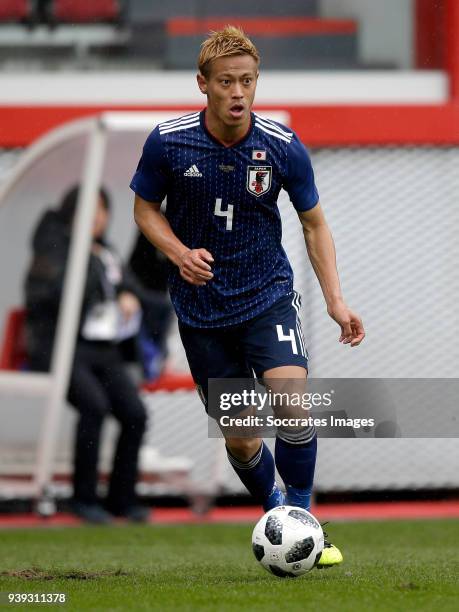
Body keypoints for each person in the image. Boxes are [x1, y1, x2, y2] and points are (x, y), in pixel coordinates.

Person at [131, 27, 365, 565]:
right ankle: (275, 506)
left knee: (293, 405)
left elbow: (314, 225)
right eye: (227, 82)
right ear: (203, 84)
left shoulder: (282, 147)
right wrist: (178, 252)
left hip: (267, 296)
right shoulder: (168, 142)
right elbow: (145, 210)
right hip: (202, 309)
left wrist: (335, 300)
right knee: (241, 436)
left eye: (248, 81)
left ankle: (305, 525)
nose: (238, 93)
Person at [24, 186, 149, 524]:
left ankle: (122, 500)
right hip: (62, 347)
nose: (97, 217)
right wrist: (93, 269)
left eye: (103, 209)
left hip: (103, 350)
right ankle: (84, 498)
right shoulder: (54, 246)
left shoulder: (106, 251)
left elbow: (130, 287)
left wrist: (128, 295)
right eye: (89, 209)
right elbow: (49, 295)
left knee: (134, 413)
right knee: (94, 406)